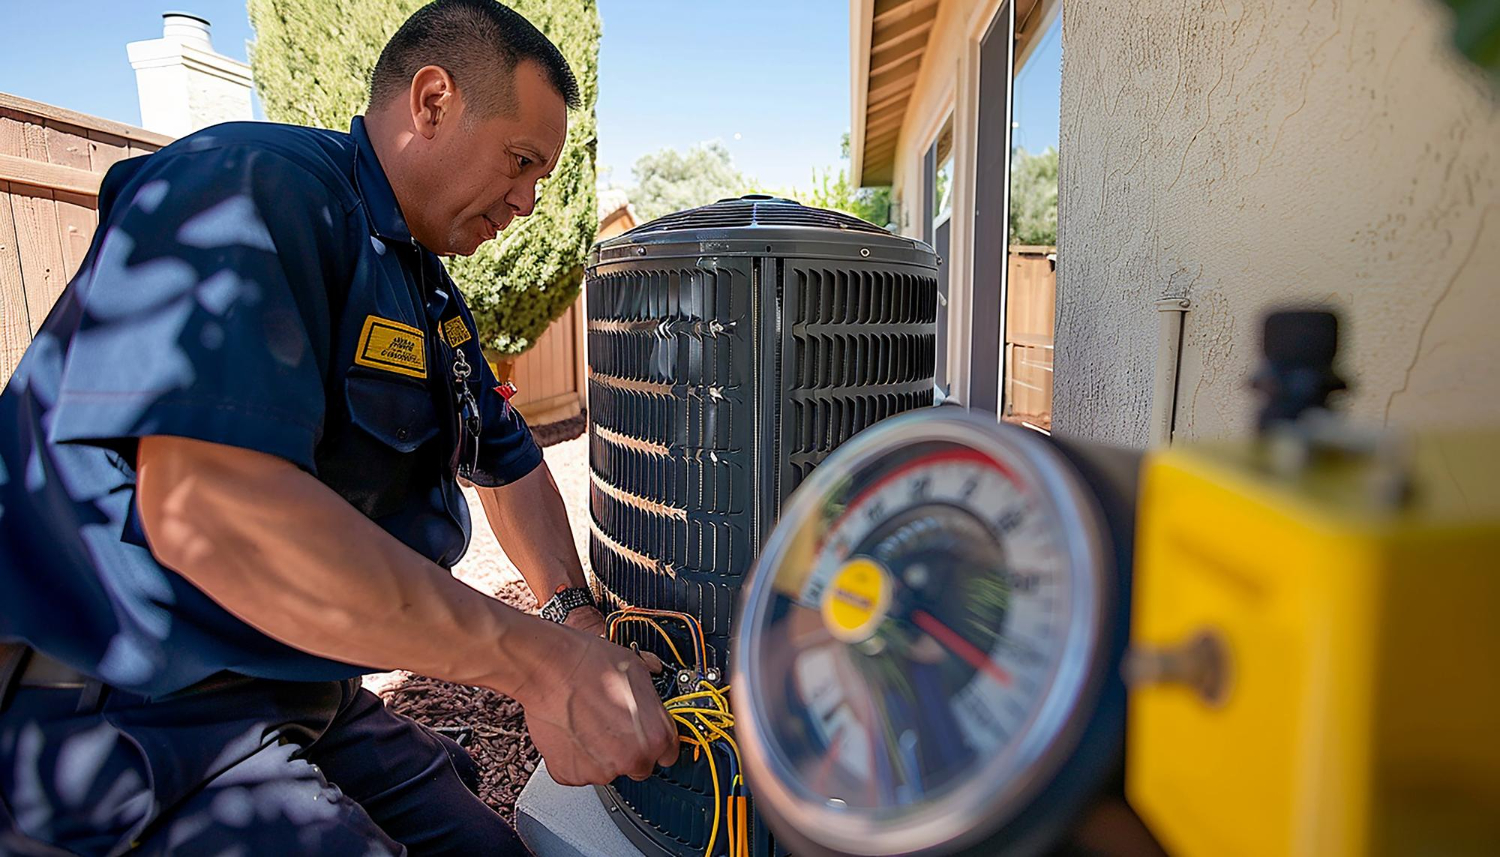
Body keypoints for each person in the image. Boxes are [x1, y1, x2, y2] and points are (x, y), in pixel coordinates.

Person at [0, 1, 677, 853]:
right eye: (520, 161)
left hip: (302, 686)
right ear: (433, 101)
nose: (530, 200)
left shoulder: (425, 292)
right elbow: (211, 513)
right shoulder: (247, 188)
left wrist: (574, 619)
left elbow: (506, 462)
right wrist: (541, 663)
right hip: (132, 705)